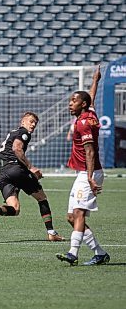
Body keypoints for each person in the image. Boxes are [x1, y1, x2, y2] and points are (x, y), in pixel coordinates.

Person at [56, 65, 109, 266]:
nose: (70, 104)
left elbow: (90, 152)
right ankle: (100, 253)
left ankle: (73, 253)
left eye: (74, 101)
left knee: (78, 213)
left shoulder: (84, 123)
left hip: (90, 173)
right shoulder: (89, 113)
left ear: (82, 105)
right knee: (71, 217)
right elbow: (91, 97)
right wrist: (95, 80)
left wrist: (89, 178)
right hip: (84, 173)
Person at [0, 111, 64, 242]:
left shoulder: (13, 132)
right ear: (22, 122)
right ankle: (51, 232)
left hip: (3, 173)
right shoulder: (23, 133)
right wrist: (31, 168)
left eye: (35, 123)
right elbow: (17, 148)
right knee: (42, 198)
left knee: (15, 209)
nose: (33, 125)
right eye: (31, 121)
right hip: (17, 170)